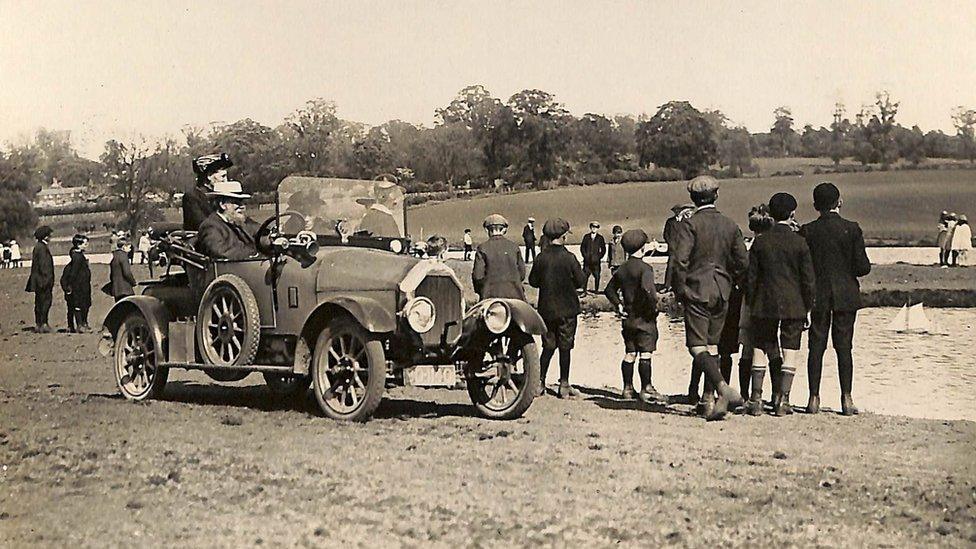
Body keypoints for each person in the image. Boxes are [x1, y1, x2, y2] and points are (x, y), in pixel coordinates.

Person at [670, 176, 748, 420]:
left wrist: (680, 289)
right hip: (722, 290)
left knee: (696, 346)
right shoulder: (730, 224)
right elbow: (743, 262)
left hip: (697, 289)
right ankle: (707, 399)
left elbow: (680, 260)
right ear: (716, 196)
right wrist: (730, 281)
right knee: (712, 346)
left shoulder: (689, 225)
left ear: (693, 199)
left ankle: (723, 389)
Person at [800, 182, 871, 416]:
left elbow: (805, 268)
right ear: (839, 202)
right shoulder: (852, 229)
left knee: (816, 347)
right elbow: (863, 267)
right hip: (845, 295)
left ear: (815, 206)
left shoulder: (807, 230)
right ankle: (847, 398)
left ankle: (813, 398)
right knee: (844, 347)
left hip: (817, 295)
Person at [744, 193, 815, 417]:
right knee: (790, 350)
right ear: (792, 214)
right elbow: (808, 280)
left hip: (764, 303)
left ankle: (756, 399)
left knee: (760, 347)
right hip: (794, 304)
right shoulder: (800, 242)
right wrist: (808, 307)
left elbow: (751, 278)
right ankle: (783, 400)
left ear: (771, 214)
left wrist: (752, 302)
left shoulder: (760, 242)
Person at [529, 218, 587, 398]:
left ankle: (539, 382)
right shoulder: (569, 258)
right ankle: (564, 384)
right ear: (563, 237)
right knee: (565, 347)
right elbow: (580, 282)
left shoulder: (541, 258)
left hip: (547, 310)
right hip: (568, 310)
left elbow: (533, 281)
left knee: (548, 346)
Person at [603, 229, 661, 402]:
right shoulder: (646, 269)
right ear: (642, 248)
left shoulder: (622, 269)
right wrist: (653, 309)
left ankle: (627, 388)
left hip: (628, 318)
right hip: (644, 318)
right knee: (646, 354)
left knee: (630, 353)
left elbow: (609, 290)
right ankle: (646, 388)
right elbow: (648, 291)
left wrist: (619, 305)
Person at [196, 181, 265, 260]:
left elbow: (259, 231)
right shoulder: (211, 226)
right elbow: (221, 251)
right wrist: (254, 253)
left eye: (242, 202)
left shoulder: (239, 221)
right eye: (236, 202)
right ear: (222, 205)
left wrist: (271, 240)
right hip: (232, 270)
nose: (242, 206)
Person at [472, 214, 526, 301]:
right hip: (515, 295)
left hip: (489, 296)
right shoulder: (514, 247)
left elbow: (477, 276)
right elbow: (522, 274)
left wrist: (481, 291)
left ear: (487, 230)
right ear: (504, 229)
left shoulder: (482, 248)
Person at [184, 153, 233, 231]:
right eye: (223, 176)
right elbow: (203, 226)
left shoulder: (222, 196)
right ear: (209, 176)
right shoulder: (192, 196)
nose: (226, 181)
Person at [60, 234, 93, 333]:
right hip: (79, 286)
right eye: (85, 244)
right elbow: (74, 273)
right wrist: (70, 285)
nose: (86, 246)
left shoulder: (79, 256)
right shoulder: (77, 257)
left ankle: (78, 324)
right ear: (78, 245)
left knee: (80, 305)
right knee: (78, 305)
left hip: (82, 285)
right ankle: (80, 325)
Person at [25, 226, 55, 333]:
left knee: (39, 302)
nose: (50, 237)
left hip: (39, 280)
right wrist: (47, 279)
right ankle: (43, 324)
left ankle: (39, 324)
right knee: (45, 302)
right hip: (43, 281)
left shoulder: (38, 247)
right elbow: (44, 266)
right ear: (45, 236)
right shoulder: (42, 248)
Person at [663, 204, 694, 290]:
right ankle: (667, 285)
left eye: (679, 210)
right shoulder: (670, 222)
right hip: (673, 249)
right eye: (676, 211)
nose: (677, 212)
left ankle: (681, 285)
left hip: (683, 248)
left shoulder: (687, 222)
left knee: (683, 267)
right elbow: (666, 234)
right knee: (670, 266)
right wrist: (671, 244)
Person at [580, 221, 606, 293]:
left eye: (596, 227)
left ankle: (596, 291)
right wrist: (585, 256)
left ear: (598, 229)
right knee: (585, 277)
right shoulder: (586, 237)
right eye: (593, 227)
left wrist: (598, 257)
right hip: (587, 262)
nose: (594, 229)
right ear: (590, 228)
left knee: (597, 277)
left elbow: (603, 249)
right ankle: (584, 291)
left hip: (596, 262)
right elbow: (582, 248)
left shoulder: (600, 238)